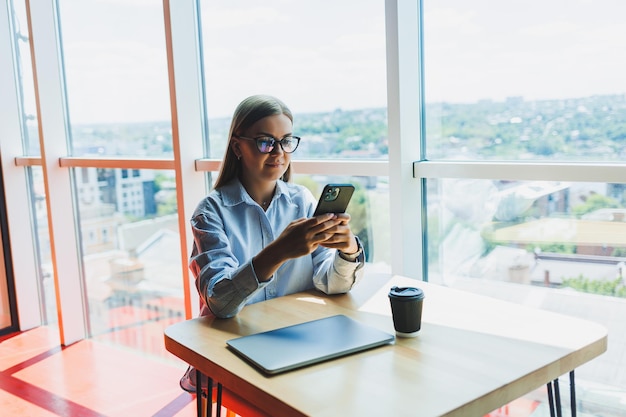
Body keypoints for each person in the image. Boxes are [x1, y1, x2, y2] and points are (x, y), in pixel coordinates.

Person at [180, 94, 365, 392]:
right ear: (238, 146)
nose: (278, 152)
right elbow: (220, 303)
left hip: (294, 340)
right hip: (233, 348)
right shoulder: (211, 212)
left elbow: (330, 284)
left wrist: (348, 251)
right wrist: (279, 251)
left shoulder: (301, 200)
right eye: (266, 141)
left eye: (286, 141)